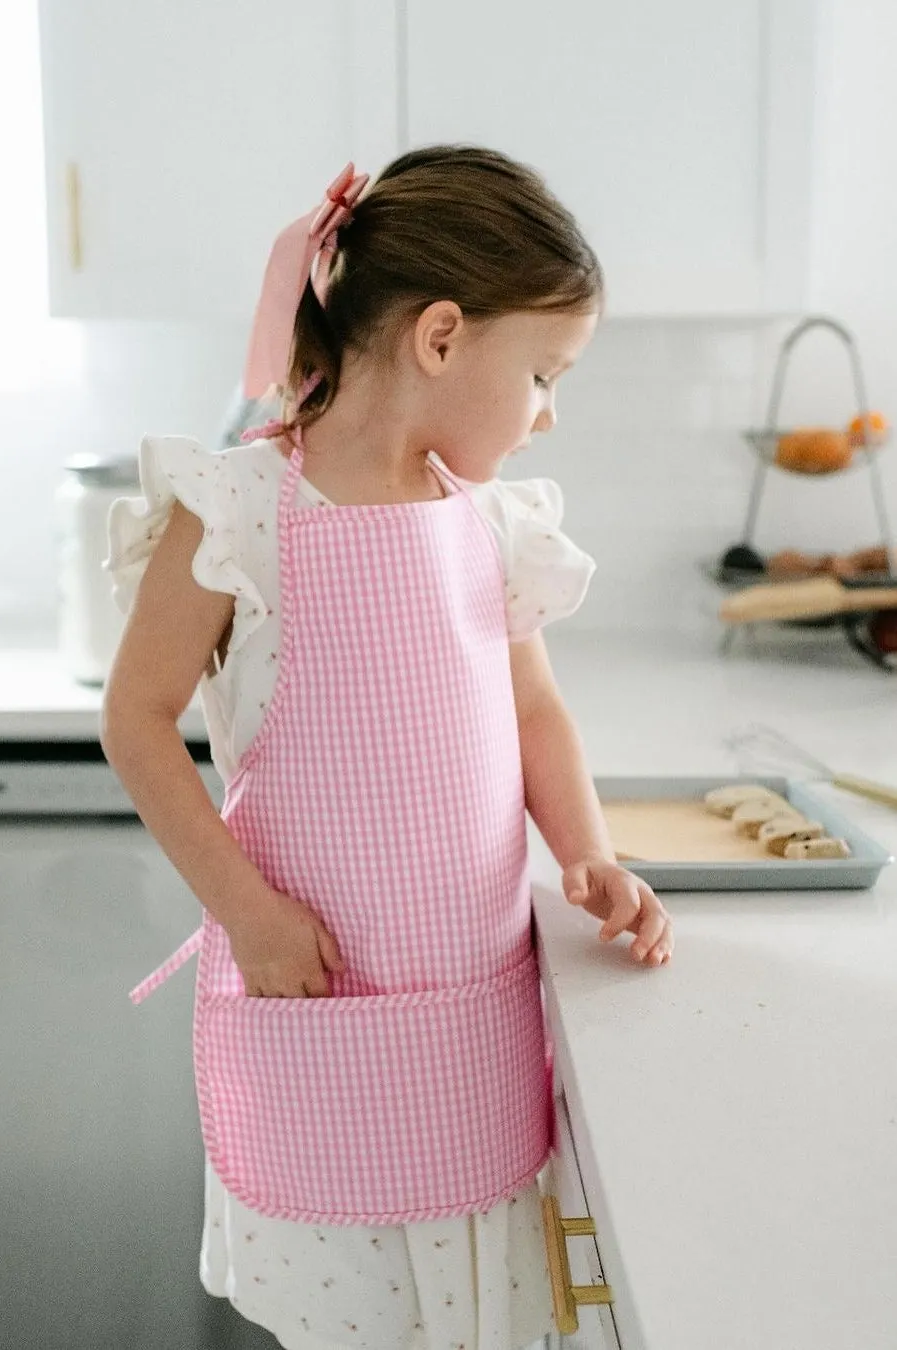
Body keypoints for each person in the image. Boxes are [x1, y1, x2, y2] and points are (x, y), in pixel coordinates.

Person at [101, 145, 675, 1350]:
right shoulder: (241, 506)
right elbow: (137, 719)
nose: (547, 411)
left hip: (470, 1021)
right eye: (541, 372)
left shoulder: (486, 523)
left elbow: (533, 715)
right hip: (317, 1006)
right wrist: (245, 912)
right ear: (441, 336)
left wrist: (588, 853)